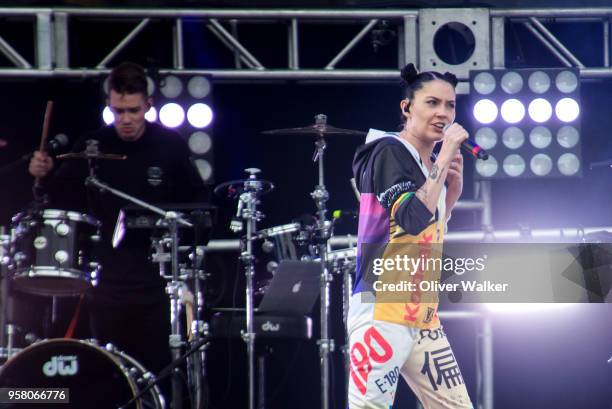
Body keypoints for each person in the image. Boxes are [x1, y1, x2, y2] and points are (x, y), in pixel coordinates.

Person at [28, 62, 207, 392]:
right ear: (109, 106)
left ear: (148, 106)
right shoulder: (93, 145)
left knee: (157, 376)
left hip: (156, 284)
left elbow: (196, 203)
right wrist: (45, 174)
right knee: (110, 377)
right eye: (118, 110)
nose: (125, 119)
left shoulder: (170, 146)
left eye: (133, 111)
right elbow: (57, 200)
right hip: (106, 283)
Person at [348, 63, 473, 408]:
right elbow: (412, 219)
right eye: (432, 103)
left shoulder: (423, 165)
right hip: (383, 307)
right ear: (407, 108)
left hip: (420, 312)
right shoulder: (388, 150)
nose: (443, 113)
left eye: (449, 105)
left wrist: (452, 193)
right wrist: (444, 156)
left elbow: (423, 234)